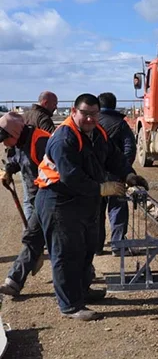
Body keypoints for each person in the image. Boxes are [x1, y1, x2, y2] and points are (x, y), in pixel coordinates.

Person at [34, 93, 149, 321]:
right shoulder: (64, 139)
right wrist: (102, 189)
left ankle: (83, 291)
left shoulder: (97, 133)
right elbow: (71, 177)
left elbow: (113, 157)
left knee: (86, 248)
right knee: (66, 254)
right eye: (85, 114)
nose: (89, 119)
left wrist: (128, 174)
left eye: (93, 114)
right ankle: (70, 306)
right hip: (58, 200)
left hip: (82, 201)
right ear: (74, 112)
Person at [0, 112, 50, 296]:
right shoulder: (20, 142)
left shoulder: (41, 142)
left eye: (6, 139)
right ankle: (13, 282)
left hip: (52, 199)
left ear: (14, 133)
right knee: (33, 239)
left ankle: (86, 275)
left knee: (61, 242)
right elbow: (15, 160)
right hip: (36, 198)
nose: (4, 143)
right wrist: (8, 171)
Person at [96, 92, 137, 256]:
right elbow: (130, 148)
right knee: (118, 209)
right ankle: (118, 246)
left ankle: (96, 247)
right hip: (116, 175)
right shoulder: (121, 124)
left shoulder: (92, 123)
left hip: (95, 176)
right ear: (114, 104)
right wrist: (123, 169)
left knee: (96, 212)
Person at [20, 91, 58, 219]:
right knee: (40, 201)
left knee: (28, 200)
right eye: (54, 104)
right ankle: (37, 230)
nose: (56, 107)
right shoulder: (43, 118)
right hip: (39, 165)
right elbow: (52, 141)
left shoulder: (24, 116)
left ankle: (29, 230)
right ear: (45, 103)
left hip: (23, 163)